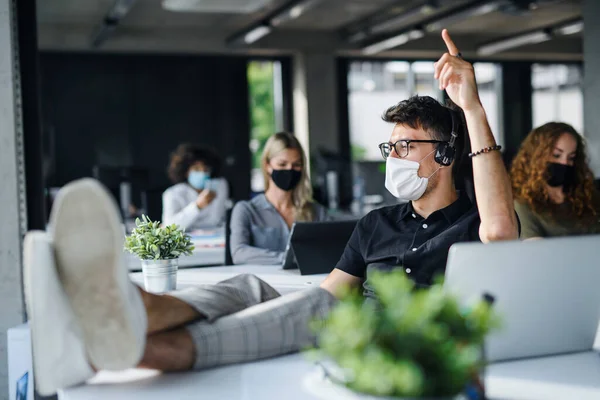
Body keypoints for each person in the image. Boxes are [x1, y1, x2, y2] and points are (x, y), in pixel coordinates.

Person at [25, 29, 519, 396]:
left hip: (394, 340)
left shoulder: (473, 222)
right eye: (387, 148)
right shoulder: (376, 224)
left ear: (446, 154)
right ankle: (135, 312)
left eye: (404, 146)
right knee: (251, 290)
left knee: (295, 312)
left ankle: (101, 342)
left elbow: (501, 231)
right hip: (341, 318)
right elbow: (330, 294)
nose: (391, 159)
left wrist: (471, 108)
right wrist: (279, 304)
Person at [229, 132, 328, 265]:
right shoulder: (246, 210)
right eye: (282, 164)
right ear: (267, 166)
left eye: (296, 165)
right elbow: (239, 253)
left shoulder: (316, 212)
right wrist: (288, 259)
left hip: (306, 284)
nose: (289, 170)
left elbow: (328, 252)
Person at [510, 122, 600, 239]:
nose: (564, 163)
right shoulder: (523, 204)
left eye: (571, 157)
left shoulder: (586, 195)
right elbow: (534, 250)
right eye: (556, 155)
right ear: (536, 157)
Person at [162, 143, 229, 230]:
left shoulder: (219, 186)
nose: (202, 173)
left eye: (206, 169)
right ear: (186, 171)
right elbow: (169, 227)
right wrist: (197, 206)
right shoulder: (172, 194)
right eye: (196, 169)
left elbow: (216, 220)